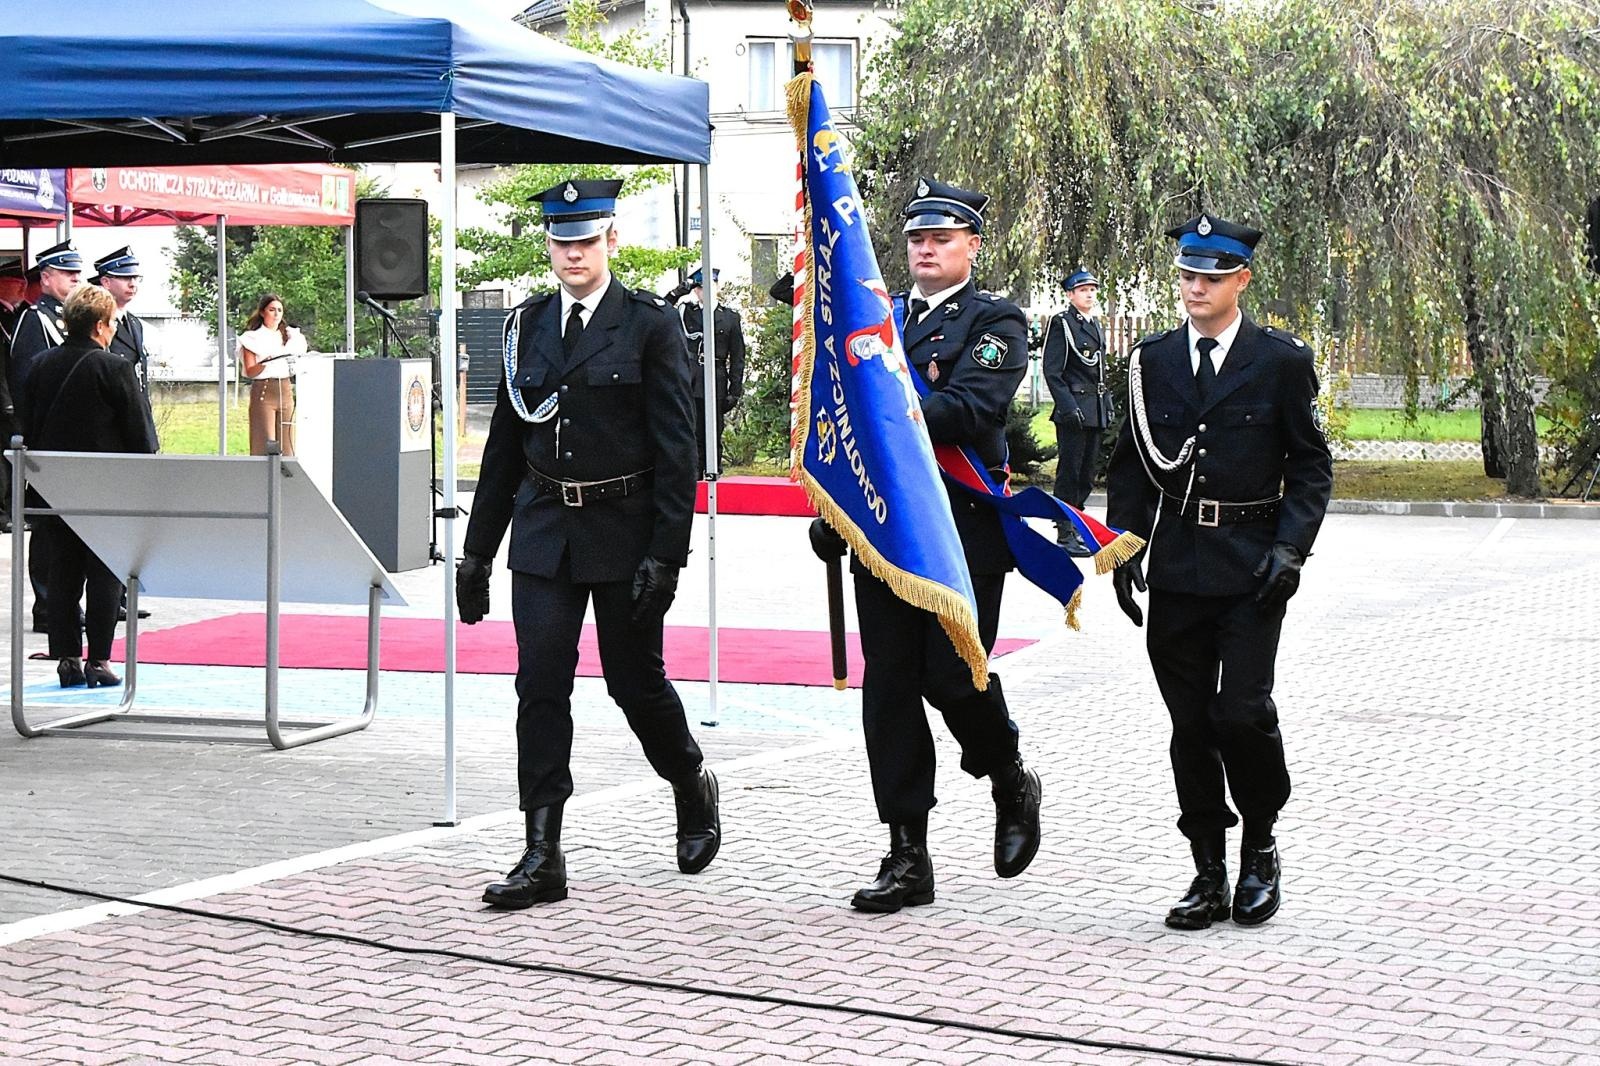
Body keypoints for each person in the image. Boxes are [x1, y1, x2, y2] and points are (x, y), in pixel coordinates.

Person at [456, 178, 719, 909]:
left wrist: (667, 554)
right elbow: (506, 446)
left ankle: (689, 780)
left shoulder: (650, 326)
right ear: (547, 247)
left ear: (610, 242)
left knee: (634, 682)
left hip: (624, 527)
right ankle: (543, 852)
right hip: (545, 528)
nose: (573, 254)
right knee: (540, 683)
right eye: (560, 242)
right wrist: (478, 551)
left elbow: (677, 451)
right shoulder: (525, 326)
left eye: (585, 240)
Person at [808, 177, 1042, 914]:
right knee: (890, 689)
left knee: (951, 676)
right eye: (915, 238)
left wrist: (882, 420)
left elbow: (970, 408)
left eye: (941, 237)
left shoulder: (996, 320)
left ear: (972, 244)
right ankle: (907, 852)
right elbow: (842, 409)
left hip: (962, 532)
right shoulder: (875, 318)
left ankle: (1006, 772)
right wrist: (837, 505)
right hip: (883, 531)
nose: (926, 249)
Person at [1105, 213, 1332, 930]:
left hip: (1251, 565)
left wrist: (1291, 550)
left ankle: (1260, 844)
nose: (1194, 288)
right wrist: (1123, 548)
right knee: (1190, 723)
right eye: (1185, 275)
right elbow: (1133, 466)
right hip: (1175, 566)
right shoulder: (1153, 360)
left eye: (1210, 277)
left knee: (1242, 712)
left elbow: (1311, 466)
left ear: (1242, 279)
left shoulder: (1279, 362)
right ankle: (1207, 868)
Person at [20, 285, 158, 689]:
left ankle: (66, 659)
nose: (115, 329)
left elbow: (28, 427)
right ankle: (98, 660)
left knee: (63, 571)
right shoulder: (114, 368)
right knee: (104, 573)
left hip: (55, 486)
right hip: (106, 487)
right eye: (113, 322)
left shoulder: (40, 365)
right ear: (100, 325)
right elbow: (140, 436)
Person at [9, 241, 84, 631]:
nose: (74, 278)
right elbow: (24, 382)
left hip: (73, 439)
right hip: (47, 440)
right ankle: (47, 606)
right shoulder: (35, 320)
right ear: (46, 277)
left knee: (72, 524)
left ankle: (67, 604)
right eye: (67, 273)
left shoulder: (71, 318)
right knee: (47, 527)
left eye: (77, 273)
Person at [1042, 268, 1114, 556]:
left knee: (1086, 474)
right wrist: (1068, 406)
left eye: (1093, 290)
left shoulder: (1094, 325)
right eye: (1084, 290)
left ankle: (1077, 524)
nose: (1090, 295)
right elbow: (1053, 370)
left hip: (1093, 409)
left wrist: (1104, 407)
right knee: (1069, 473)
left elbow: (1099, 371)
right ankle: (1064, 531)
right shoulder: (1062, 324)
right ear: (1070, 295)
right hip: (1074, 410)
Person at [665, 268, 746, 476]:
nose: (705, 292)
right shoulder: (686, 312)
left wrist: (735, 390)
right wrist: (677, 293)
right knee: (690, 428)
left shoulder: (729, 318)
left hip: (716, 377)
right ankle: (693, 472)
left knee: (713, 430)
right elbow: (661, 310)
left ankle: (713, 471)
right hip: (690, 377)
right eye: (700, 287)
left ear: (717, 287)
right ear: (696, 290)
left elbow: (737, 357)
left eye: (709, 287)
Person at [237, 293, 306, 457]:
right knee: (265, 444)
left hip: (285, 390)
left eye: (279, 310)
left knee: (287, 445)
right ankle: (262, 480)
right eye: (272, 310)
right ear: (262, 312)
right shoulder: (252, 338)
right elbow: (251, 370)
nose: (276, 314)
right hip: (265, 391)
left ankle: (286, 480)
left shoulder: (288, 336)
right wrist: (266, 362)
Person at [92, 247, 153, 395]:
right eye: (125, 278)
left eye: (135, 278)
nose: (132, 284)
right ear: (106, 282)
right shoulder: (96, 321)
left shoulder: (134, 323)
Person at [0, 257, 27, 534]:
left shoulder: (16, 316)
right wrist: (7, 401)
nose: (22, 287)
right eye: (15, 282)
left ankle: (12, 508)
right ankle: (3, 511)